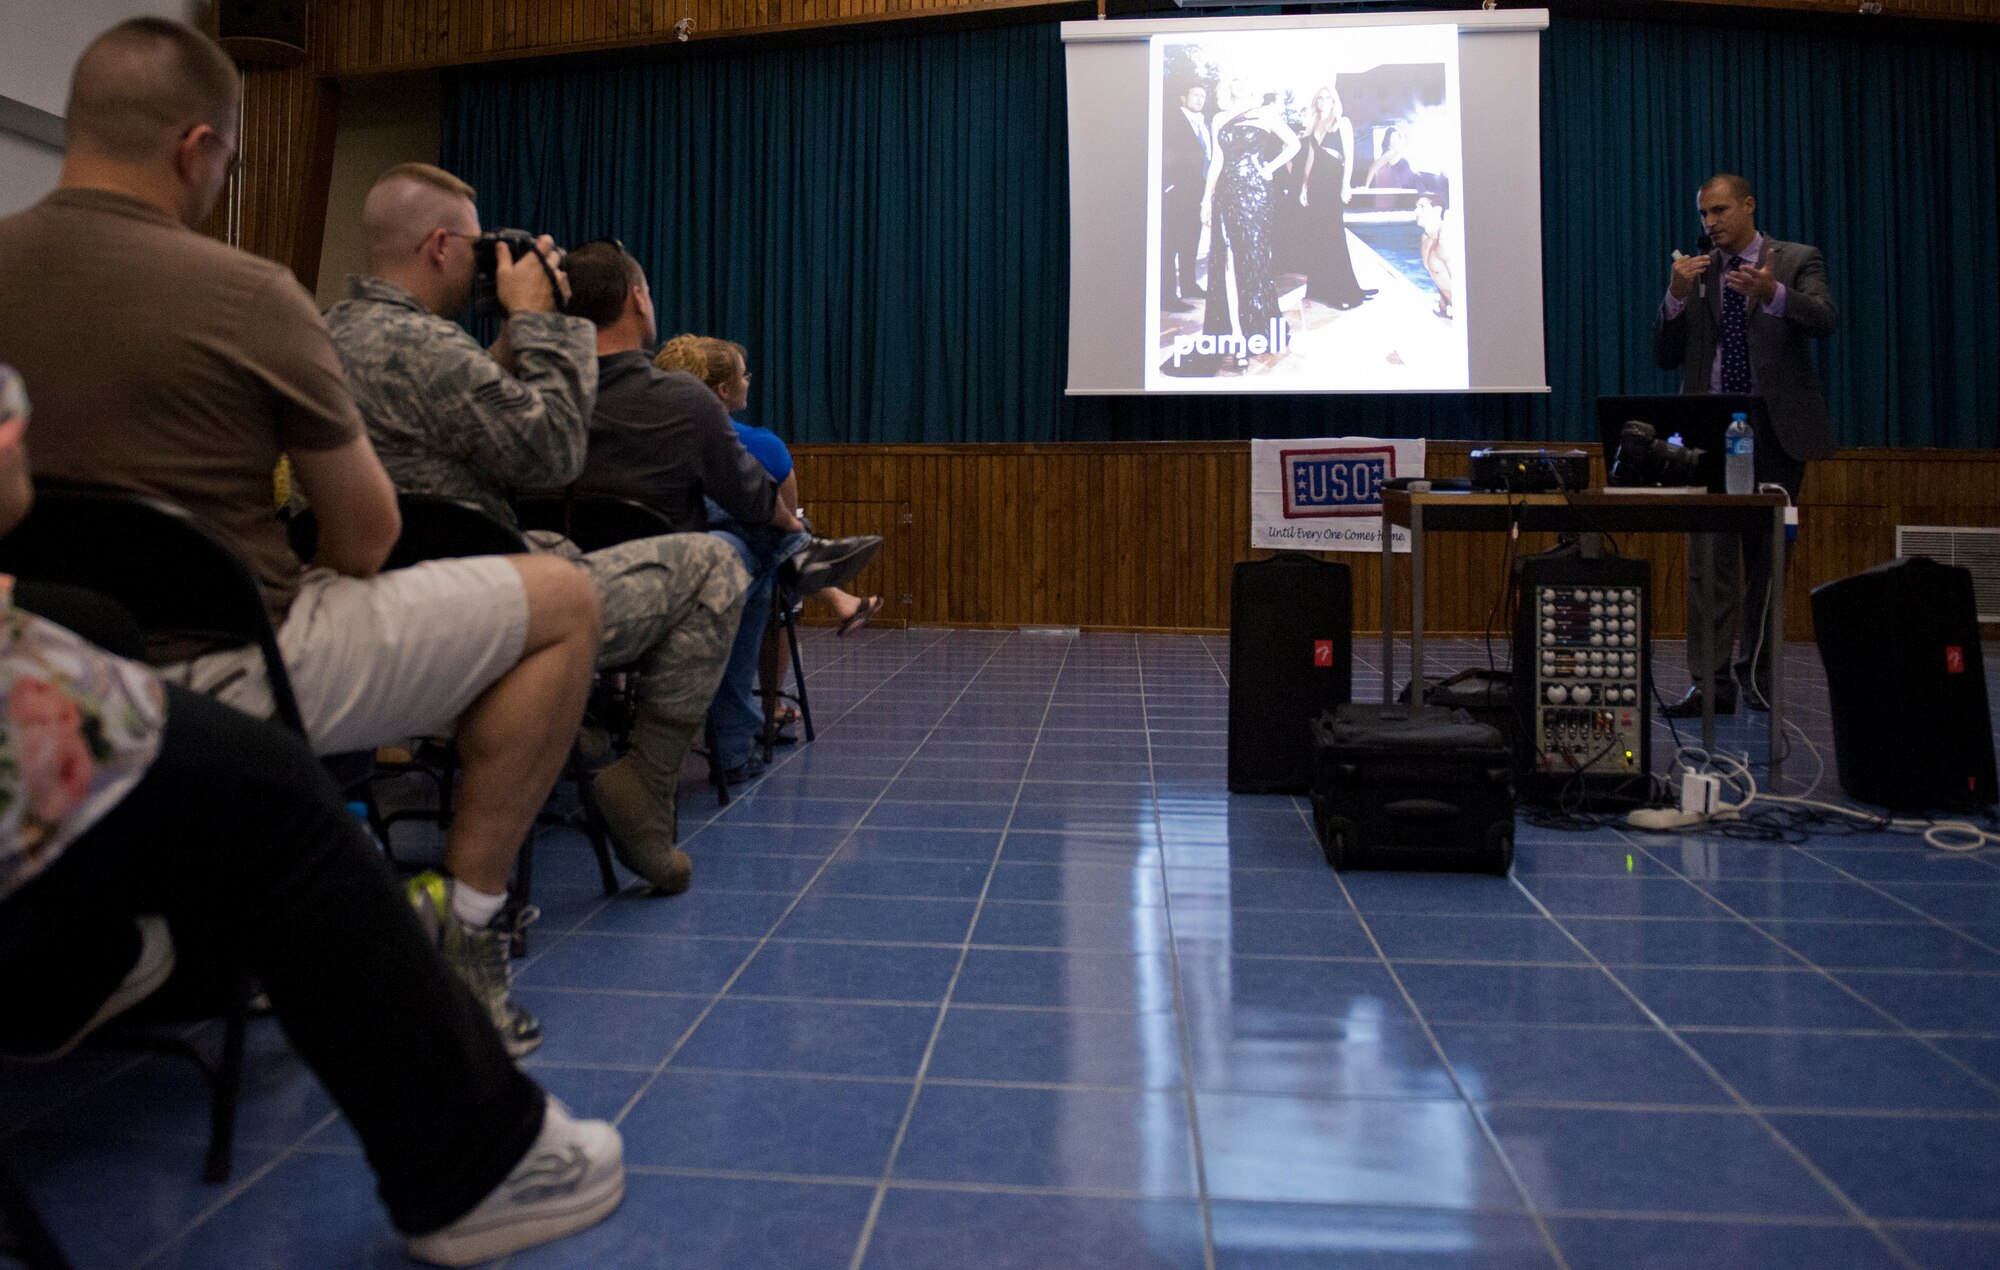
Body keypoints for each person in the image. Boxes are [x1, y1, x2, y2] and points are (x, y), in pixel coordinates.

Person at [0, 18, 600, 1058]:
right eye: (227, 158)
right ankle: (460, 930)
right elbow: (365, 535)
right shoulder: (246, 295)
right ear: (196, 148)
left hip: (41, 667)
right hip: (224, 665)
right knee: (565, 601)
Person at [0, 365, 623, 1268]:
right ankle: (477, 1156)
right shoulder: (250, 303)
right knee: (273, 793)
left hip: (109, 615)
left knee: (95, 620)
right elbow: (369, 537)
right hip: (250, 641)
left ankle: (91, 956)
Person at [325, 166, 773, 896]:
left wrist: (507, 343)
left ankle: (583, 725)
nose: (486, 264)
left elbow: (460, 401)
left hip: (391, 588)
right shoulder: (426, 350)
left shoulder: (336, 333)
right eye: (478, 247)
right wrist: (546, 324)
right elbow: (553, 450)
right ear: (440, 245)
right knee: (717, 566)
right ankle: (643, 783)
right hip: (474, 601)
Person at [644, 332, 882, 779]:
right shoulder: (755, 443)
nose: (750, 381)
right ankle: (808, 559)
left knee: (741, 548)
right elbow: (784, 509)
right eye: (743, 376)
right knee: (757, 560)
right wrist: (792, 528)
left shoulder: (639, 432)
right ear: (720, 391)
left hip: (641, 566)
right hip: (703, 570)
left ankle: (809, 565)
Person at [1654, 172, 1838, 717]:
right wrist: (1675, 297)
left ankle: (1757, 677)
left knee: (1768, 561)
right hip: (1709, 429)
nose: (1710, 223)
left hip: (1775, 430)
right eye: (1703, 214)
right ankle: (1709, 684)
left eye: (1720, 211)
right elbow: (1665, 356)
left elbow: (1826, 318)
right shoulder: (1696, 272)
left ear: (1749, 206)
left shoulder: (1797, 259)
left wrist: (1773, 294)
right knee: (1707, 563)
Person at [1194, 77, 1300, 373]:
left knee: (1254, 261)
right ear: (1228, 85)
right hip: (1226, 192)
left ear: (1252, 84)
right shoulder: (1219, 117)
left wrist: (1269, 168)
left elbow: (1294, 143)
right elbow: (1216, 159)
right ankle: (1237, 335)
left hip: (1255, 193)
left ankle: (1258, 327)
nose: (1239, 82)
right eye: (1234, 78)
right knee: (1227, 262)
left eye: (1244, 77)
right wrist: (1206, 199)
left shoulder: (1264, 113)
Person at [1295, 84, 1376, 311]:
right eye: (1319, 98)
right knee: (1318, 235)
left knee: (1333, 235)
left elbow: (1349, 157)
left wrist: (1345, 186)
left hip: (1332, 182)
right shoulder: (1314, 125)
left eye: (1327, 98)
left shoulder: (1343, 122)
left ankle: (1344, 290)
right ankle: (1320, 289)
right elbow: (1310, 159)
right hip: (1316, 184)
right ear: (1315, 102)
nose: (1323, 102)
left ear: (1333, 101)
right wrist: (1303, 187)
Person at [1161, 83, 1210, 309]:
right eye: (1195, 95)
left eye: (1203, 96)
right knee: (1170, 246)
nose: (1200, 99)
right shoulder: (1171, 120)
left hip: (1196, 195)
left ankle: (1189, 285)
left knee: (1191, 241)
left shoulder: (1204, 124)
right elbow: (1162, 152)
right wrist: (1168, 185)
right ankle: (1168, 297)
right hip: (1175, 194)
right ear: (1183, 97)